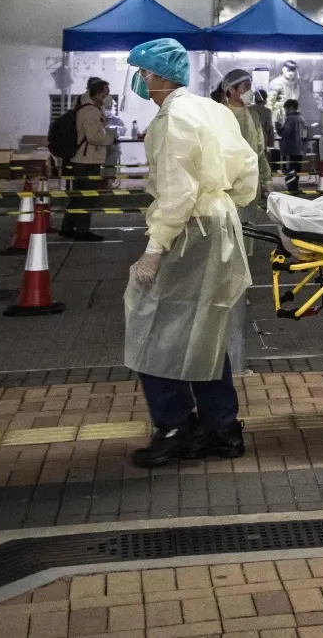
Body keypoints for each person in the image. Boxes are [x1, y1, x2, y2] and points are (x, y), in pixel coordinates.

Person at [120, 37, 260, 467]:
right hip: (218, 220)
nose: (141, 82)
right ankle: (221, 429)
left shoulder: (172, 119)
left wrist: (154, 248)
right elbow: (248, 167)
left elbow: (177, 194)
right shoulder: (212, 110)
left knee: (153, 322)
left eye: (144, 73)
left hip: (191, 227)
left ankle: (175, 426)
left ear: (160, 75)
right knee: (204, 328)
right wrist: (223, 204)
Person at [63, 76, 114, 241]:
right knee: (87, 197)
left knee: (78, 197)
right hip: (87, 159)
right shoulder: (90, 111)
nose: (108, 97)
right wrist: (110, 138)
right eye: (106, 94)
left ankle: (68, 227)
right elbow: (94, 137)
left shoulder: (86, 107)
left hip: (82, 159)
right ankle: (82, 231)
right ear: (99, 94)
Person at [218, 68, 271, 191]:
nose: (250, 91)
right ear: (231, 89)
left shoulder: (253, 115)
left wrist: (267, 179)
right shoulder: (219, 113)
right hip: (227, 180)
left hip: (250, 179)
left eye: (250, 86)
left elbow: (259, 150)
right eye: (246, 87)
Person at [275, 99, 307, 186]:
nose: (286, 111)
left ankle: (292, 189)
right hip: (299, 150)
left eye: (286, 108)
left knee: (290, 170)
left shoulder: (290, 119)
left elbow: (285, 133)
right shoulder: (301, 118)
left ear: (291, 107)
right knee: (297, 170)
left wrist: (278, 127)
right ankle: (295, 187)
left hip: (290, 149)